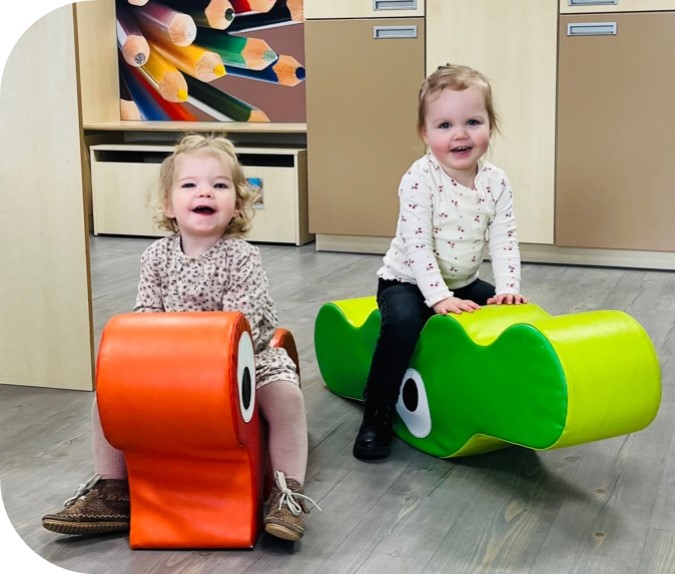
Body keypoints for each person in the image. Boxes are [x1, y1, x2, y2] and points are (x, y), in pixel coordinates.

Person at [42, 134, 319, 541]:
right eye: (189, 184)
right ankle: (112, 489)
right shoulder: (155, 257)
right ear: (169, 205)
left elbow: (245, 327)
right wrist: (152, 361)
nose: (204, 192)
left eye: (219, 185)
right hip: (174, 368)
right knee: (107, 396)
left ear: (237, 204)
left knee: (286, 396)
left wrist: (209, 358)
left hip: (245, 364)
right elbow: (145, 316)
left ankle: (286, 492)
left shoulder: (242, 256)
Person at [353, 64, 529, 461]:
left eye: (473, 122)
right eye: (445, 125)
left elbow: (504, 239)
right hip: (406, 282)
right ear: (425, 133)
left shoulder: (496, 181)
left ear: (490, 125)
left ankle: (504, 397)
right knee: (403, 324)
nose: (460, 134)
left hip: (462, 283)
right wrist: (438, 298)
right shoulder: (420, 179)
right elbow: (418, 247)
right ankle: (377, 409)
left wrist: (507, 290)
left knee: (510, 316)